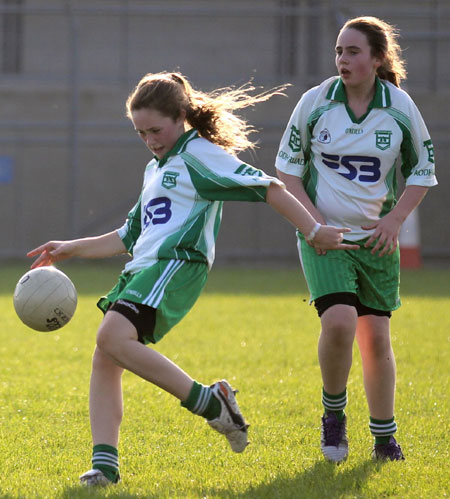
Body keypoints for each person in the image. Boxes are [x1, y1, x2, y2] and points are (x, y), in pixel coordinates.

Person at [28, 71, 358, 486]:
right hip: (144, 268)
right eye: (140, 132)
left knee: (110, 338)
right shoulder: (155, 169)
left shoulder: (200, 155)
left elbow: (269, 187)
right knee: (106, 358)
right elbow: (128, 236)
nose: (150, 139)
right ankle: (105, 466)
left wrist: (313, 231)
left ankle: (210, 402)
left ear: (181, 116)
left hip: (177, 264)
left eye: (156, 129)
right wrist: (70, 247)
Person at [275, 16, 437, 463]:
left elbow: (423, 171)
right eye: (338, 52)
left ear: (378, 59)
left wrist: (396, 221)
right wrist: (314, 226)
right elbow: (286, 171)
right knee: (341, 322)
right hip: (324, 236)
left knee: (377, 340)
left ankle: (384, 439)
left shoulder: (399, 106)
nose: (342, 60)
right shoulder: (315, 102)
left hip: (376, 242)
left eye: (353, 52)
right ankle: (333, 417)